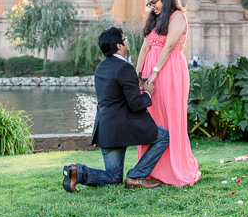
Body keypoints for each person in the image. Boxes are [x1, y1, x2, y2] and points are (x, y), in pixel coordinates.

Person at [62, 26, 169, 192]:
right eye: (124, 38)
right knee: (163, 136)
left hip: (106, 129)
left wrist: (135, 86)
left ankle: (77, 172)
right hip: (124, 127)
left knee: (114, 178)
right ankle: (136, 176)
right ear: (119, 46)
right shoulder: (124, 68)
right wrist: (147, 93)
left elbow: (115, 95)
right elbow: (135, 104)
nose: (127, 41)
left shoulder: (101, 68)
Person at [135, 0, 201, 187]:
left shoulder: (177, 17)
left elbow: (170, 45)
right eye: (149, 3)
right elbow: (145, 48)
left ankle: (174, 168)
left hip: (169, 71)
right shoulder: (155, 20)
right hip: (150, 73)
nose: (151, 7)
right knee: (151, 117)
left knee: (170, 118)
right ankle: (151, 168)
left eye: (153, 2)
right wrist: (138, 75)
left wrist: (154, 73)